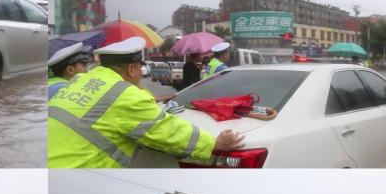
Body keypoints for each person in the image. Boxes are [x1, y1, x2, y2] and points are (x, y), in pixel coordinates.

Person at [48, 36, 245, 168]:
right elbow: (165, 129)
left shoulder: (82, 80)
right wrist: (213, 143)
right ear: (132, 68)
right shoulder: (125, 95)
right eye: (140, 70)